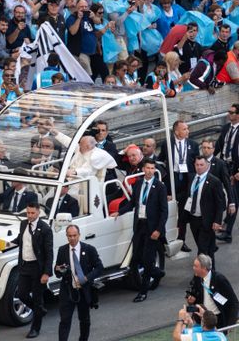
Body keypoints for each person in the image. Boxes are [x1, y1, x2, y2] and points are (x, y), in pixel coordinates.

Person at [111, 159, 167, 302]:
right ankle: (158, 272)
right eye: (148, 168)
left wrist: (158, 230)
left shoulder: (159, 187)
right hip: (140, 225)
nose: (150, 171)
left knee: (148, 259)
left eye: (153, 168)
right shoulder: (138, 184)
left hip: (152, 227)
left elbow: (164, 211)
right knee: (136, 258)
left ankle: (143, 291)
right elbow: (132, 203)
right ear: (143, 169)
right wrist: (119, 212)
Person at [9, 202, 53, 339]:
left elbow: (49, 253)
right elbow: (19, 240)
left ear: (38, 212)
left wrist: (46, 273)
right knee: (22, 294)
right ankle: (39, 310)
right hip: (24, 266)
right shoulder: (23, 224)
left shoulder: (45, 229)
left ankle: (35, 328)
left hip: (37, 268)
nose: (29, 215)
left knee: (38, 298)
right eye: (28, 213)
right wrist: (1, 246)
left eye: (32, 213)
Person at [54, 224, 103, 341]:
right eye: (69, 236)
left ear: (79, 235)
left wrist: (86, 278)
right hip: (68, 291)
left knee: (84, 320)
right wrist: (58, 269)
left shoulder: (89, 249)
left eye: (74, 235)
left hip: (84, 291)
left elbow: (99, 267)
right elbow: (58, 273)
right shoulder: (62, 250)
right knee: (65, 320)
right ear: (66, 236)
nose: (72, 238)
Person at [158, 120, 200, 252]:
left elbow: (196, 162)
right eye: (185, 129)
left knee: (183, 212)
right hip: (172, 178)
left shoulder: (193, 144)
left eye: (187, 128)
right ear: (177, 131)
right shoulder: (167, 143)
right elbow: (161, 160)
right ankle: (166, 239)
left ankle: (181, 240)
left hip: (186, 180)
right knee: (168, 209)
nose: (188, 131)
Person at [184, 156, 226, 268]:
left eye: (201, 165)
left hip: (206, 220)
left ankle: (198, 279)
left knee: (202, 250)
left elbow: (220, 203)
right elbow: (188, 197)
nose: (199, 167)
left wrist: (217, 221)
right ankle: (212, 273)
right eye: (197, 165)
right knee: (207, 249)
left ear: (207, 166)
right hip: (194, 219)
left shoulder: (214, 181)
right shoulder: (192, 178)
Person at [186, 254, 239, 329]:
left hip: (218, 320)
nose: (193, 268)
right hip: (202, 318)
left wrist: (230, 324)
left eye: (195, 266)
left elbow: (234, 302)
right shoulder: (197, 277)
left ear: (204, 268)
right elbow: (191, 290)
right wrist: (190, 299)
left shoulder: (219, 279)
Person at [214, 104, 239, 243]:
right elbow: (218, 146)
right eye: (228, 111)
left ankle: (227, 231)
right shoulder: (226, 128)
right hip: (224, 165)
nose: (229, 114)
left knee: (233, 199)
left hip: (235, 169)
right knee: (228, 197)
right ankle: (224, 226)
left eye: (232, 112)